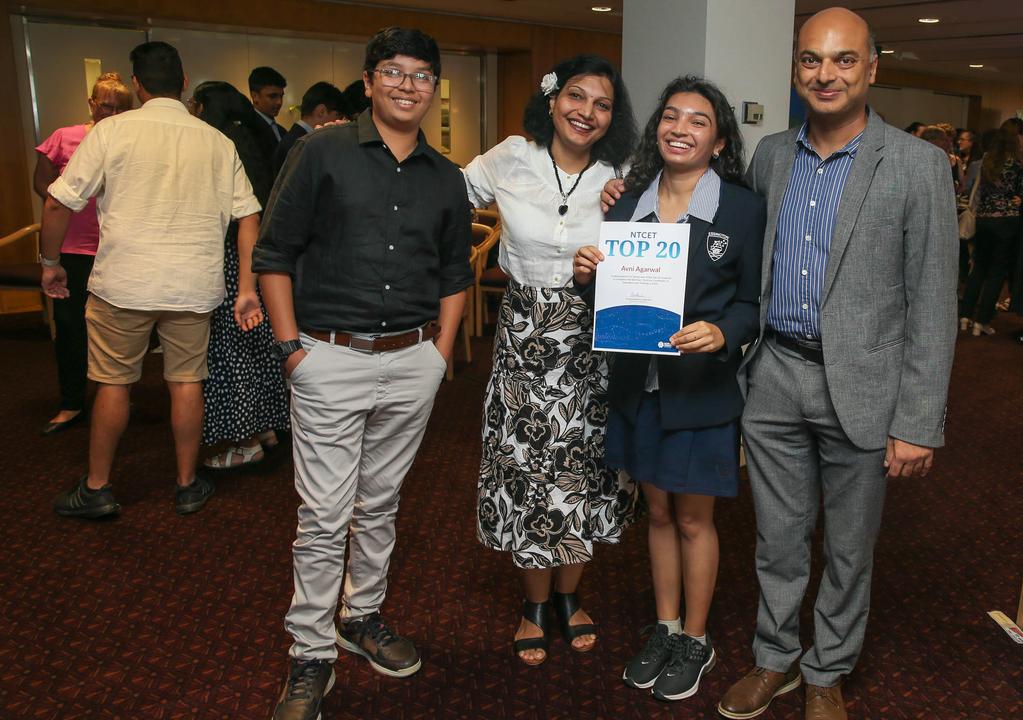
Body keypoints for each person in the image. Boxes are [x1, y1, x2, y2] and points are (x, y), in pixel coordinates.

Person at [719, 9, 957, 720]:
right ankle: (775, 659)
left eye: (844, 60)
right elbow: (734, 250)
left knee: (850, 550)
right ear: (797, 69)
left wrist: (919, 420)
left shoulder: (918, 165)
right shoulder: (770, 157)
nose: (826, 75)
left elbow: (935, 303)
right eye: (811, 61)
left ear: (872, 69)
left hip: (867, 388)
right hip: (775, 377)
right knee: (778, 538)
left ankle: (827, 671)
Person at [253, 28, 471, 720]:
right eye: (394, 73)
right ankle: (310, 652)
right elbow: (274, 253)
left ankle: (361, 616)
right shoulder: (322, 152)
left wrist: (439, 355)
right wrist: (293, 351)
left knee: (380, 506)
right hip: (329, 357)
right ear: (371, 81)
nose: (409, 86)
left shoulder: (445, 176)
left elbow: (455, 272)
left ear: (435, 88)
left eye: (422, 76)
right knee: (323, 516)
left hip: (412, 361)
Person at [575, 75, 764, 701]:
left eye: (699, 121)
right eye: (672, 117)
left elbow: (752, 301)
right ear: (657, 127)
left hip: (700, 391)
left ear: (718, 138)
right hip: (640, 388)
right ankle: (665, 626)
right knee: (655, 512)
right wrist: (587, 276)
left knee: (692, 519)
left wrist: (724, 331)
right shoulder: (627, 202)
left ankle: (697, 639)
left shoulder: (741, 206)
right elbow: (611, 298)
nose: (681, 129)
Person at [464, 53, 639, 667]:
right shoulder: (510, 156)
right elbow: (443, 196)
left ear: (613, 117)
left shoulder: (623, 175)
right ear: (551, 99)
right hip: (522, 338)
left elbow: (660, 248)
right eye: (575, 96)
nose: (585, 112)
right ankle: (534, 604)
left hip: (594, 339)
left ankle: (570, 596)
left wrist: (632, 206)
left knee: (585, 468)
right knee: (528, 468)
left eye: (602, 104)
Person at [39, 41, 261, 518]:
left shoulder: (111, 132)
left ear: (136, 85)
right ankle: (186, 484)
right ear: (183, 83)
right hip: (193, 285)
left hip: (124, 282)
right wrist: (246, 287)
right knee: (186, 382)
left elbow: (59, 202)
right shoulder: (216, 142)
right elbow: (248, 218)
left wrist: (50, 261)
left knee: (114, 383)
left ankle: (98, 487)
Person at [188, 81, 289, 469]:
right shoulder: (255, 142)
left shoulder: (215, 149)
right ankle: (263, 428)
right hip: (259, 264)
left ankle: (246, 440)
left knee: (229, 357)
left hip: (230, 264)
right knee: (259, 352)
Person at [32, 72, 134, 436]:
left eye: (121, 108)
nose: (113, 112)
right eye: (107, 106)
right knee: (73, 327)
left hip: (118, 250)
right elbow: (41, 183)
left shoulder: (133, 140)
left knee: (121, 332)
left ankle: (117, 399)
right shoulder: (66, 137)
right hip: (75, 250)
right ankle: (72, 402)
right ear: (92, 104)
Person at [958, 120, 1023, 337]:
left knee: (978, 268)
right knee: (997, 272)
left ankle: (965, 315)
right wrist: (1015, 199)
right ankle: (983, 320)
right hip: (1006, 221)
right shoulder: (1017, 165)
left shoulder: (985, 162)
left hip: (984, 219)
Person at [272, 81, 343, 178]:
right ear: (321, 111)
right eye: (338, 115)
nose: (338, 121)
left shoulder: (296, 138)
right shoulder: (298, 143)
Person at [246, 65, 287, 161]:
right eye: (273, 96)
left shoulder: (282, 131)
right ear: (255, 96)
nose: (279, 102)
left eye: (281, 96)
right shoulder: (248, 131)